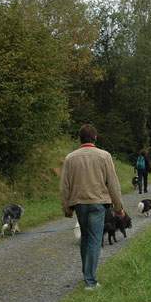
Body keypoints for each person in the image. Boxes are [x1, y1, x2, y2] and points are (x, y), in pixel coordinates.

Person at [61, 124, 124, 290]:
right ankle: (90, 281)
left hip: (79, 204)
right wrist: (118, 207)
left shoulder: (70, 158)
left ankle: (86, 274)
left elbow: (65, 186)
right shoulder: (104, 156)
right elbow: (113, 183)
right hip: (98, 204)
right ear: (95, 138)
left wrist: (66, 208)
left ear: (80, 138)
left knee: (86, 239)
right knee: (95, 241)